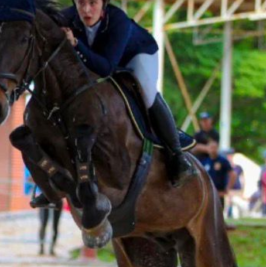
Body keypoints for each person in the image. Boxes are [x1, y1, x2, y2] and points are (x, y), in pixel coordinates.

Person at [61, 0, 192, 186]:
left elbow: (106, 68)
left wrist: (75, 44)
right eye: (81, 3)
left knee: (147, 92)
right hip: (102, 59)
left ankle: (177, 156)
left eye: (93, 3)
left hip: (136, 55)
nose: (87, 10)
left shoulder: (118, 19)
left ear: (104, 3)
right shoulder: (66, 18)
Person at [200, 139, 235, 212]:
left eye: (214, 147)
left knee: (218, 214)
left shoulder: (223, 161)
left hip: (219, 193)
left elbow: (233, 175)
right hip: (207, 193)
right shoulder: (204, 161)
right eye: (211, 147)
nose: (212, 150)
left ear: (217, 148)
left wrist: (227, 188)